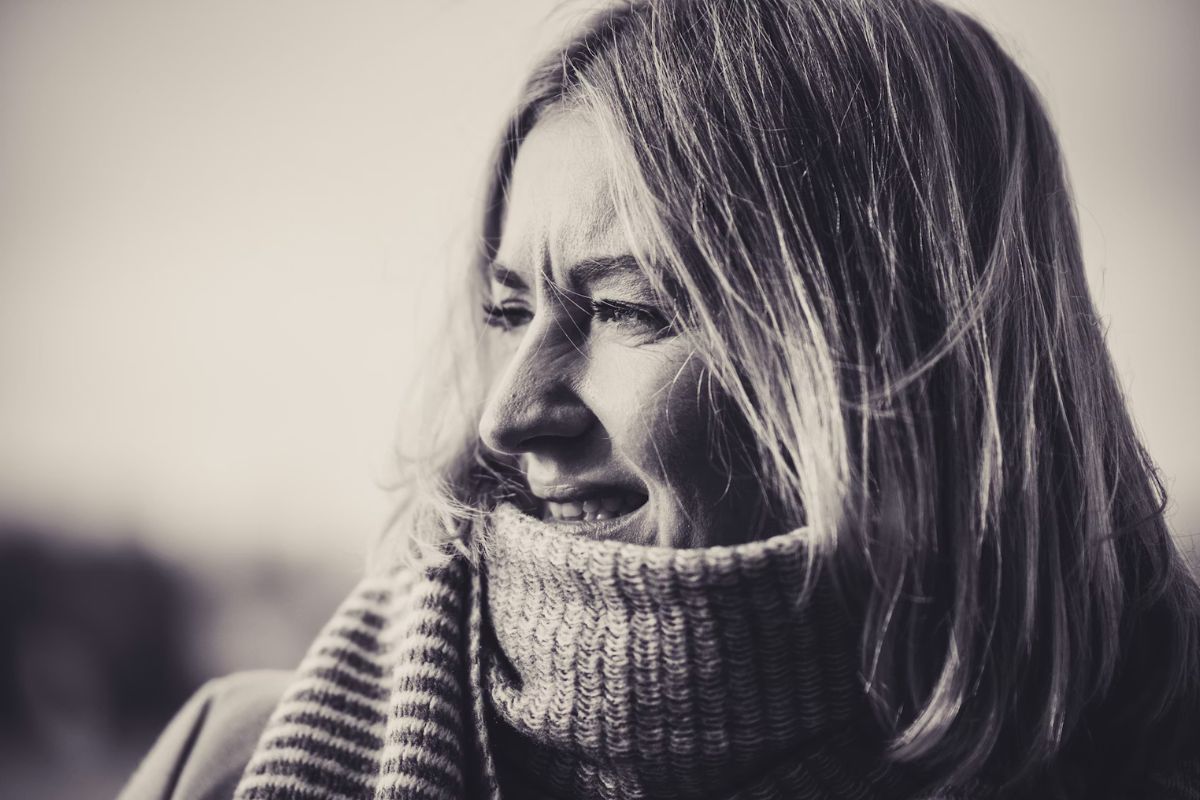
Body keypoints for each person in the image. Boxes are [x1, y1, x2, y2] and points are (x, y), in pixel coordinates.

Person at [119, 0, 1200, 797]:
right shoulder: (226, 761)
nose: (508, 412)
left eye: (630, 310)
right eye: (507, 312)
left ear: (891, 349)